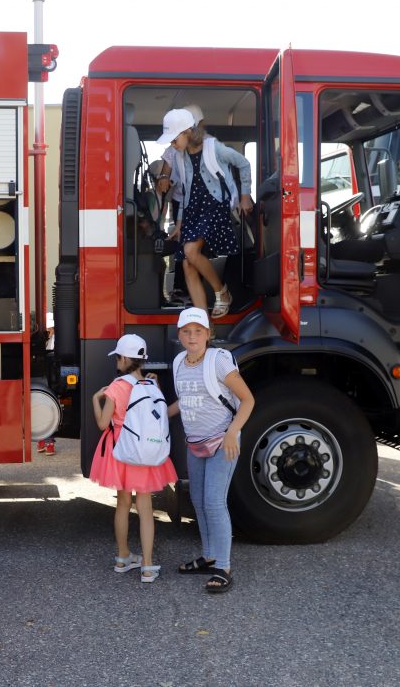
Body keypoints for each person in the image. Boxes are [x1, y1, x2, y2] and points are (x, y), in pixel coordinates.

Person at [167, 307, 255, 592]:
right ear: (179, 334)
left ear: (208, 334)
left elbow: (248, 400)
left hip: (222, 441)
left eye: (198, 331)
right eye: (186, 331)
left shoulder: (218, 361)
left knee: (215, 502)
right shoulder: (179, 362)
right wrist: (154, 416)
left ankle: (224, 567)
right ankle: (208, 556)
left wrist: (233, 433)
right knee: (198, 501)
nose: (192, 337)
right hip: (195, 443)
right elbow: (186, 400)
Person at [89, 334, 178, 582]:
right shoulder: (151, 386)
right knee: (146, 509)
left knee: (123, 505)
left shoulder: (117, 386)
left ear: (125, 358)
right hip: (145, 452)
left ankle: (123, 557)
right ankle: (148, 566)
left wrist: (96, 399)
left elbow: (101, 423)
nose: (116, 361)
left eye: (117, 356)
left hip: (121, 452)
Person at [156, 108, 253, 318]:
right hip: (193, 209)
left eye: (174, 139)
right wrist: (180, 221)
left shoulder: (214, 147)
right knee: (187, 264)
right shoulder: (180, 156)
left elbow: (243, 164)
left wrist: (245, 195)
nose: (172, 145)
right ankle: (204, 324)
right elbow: (186, 191)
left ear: (188, 132)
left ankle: (222, 292)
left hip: (214, 206)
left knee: (191, 251)